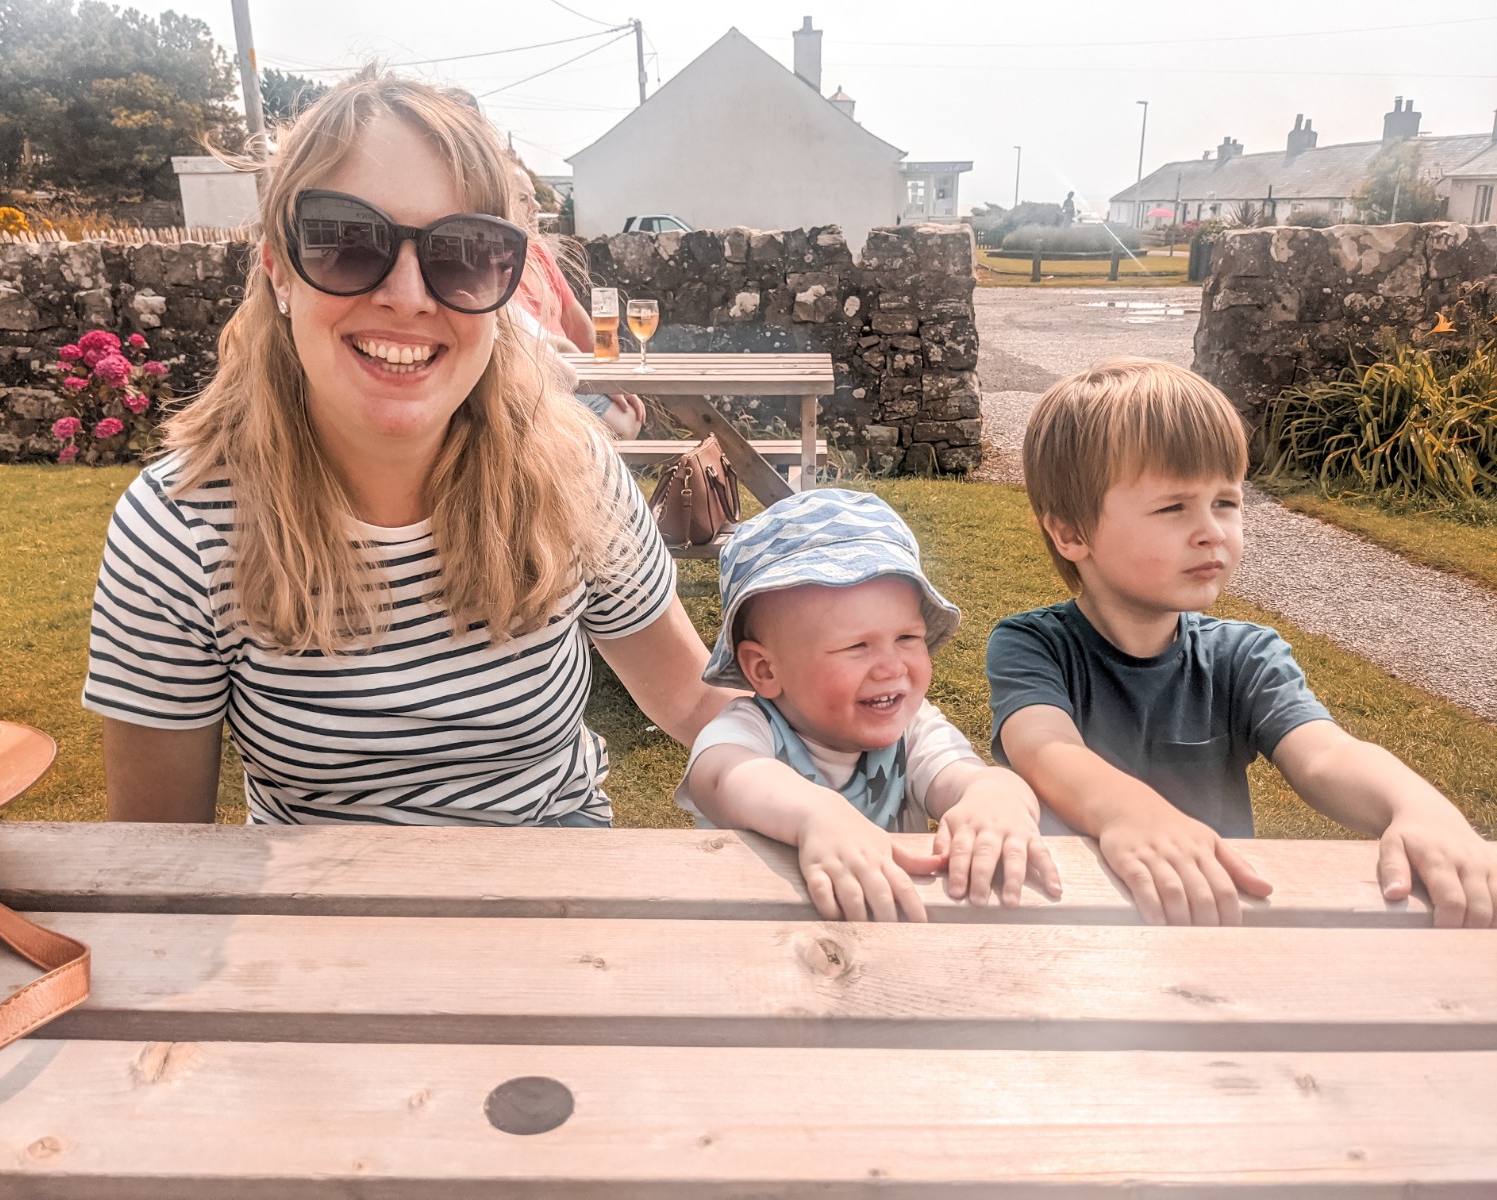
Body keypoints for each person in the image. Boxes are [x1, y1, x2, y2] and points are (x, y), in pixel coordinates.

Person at [84, 71, 737, 827]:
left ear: (504, 288)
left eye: (462, 254)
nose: (408, 294)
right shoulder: (181, 528)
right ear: (278, 270)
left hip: (556, 905)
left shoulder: (572, 474)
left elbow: (693, 698)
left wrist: (878, 753)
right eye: (345, 240)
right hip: (317, 925)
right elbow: (161, 851)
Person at [988, 358, 1497, 928]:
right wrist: (1132, 815)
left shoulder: (1245, 655)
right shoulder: (1032, 645)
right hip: (1077, 921)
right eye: (1173, 507)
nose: (1212, 530)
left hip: (1217, 921)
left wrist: (1416, 805)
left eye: (1226, 502)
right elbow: (1045, 750)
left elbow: (1324, 754)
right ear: (1071, 533)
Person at [677, 489, 1062, 922]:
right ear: (766, 670)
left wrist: (995, 796)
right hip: (763, 943)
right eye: (856, 646)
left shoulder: (913, 730)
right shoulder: (748, 731)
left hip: (882, 938)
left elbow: (967, 779)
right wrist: (816, 816)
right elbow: (721, 777)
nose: (891, 666)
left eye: (907, 638)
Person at [510, 164, 644, 440]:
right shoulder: (489, 267)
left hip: (575, 377)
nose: (536, 205)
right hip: (543, 387)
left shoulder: (539, 253)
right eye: (523, 198)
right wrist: (599, 382)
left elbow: (578, 324)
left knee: (630, 418)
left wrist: (609, 377)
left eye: (534, 196)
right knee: (626, 423)